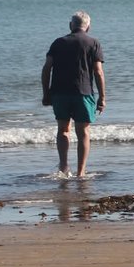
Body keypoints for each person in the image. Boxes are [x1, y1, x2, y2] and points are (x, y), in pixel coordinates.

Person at [41, 11, 106, 176]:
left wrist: (46, 93)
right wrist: (102, 97)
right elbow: (98, 72)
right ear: (88, 27)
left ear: (71, 25)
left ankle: (63, 168)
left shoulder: (58, 42)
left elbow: (47, 68)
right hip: (83, 93)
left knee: (63, 129)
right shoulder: (93, 43)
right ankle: (80, 172)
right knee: (83, 132)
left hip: (60, 93)